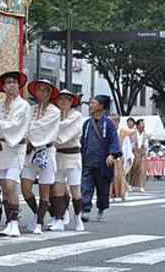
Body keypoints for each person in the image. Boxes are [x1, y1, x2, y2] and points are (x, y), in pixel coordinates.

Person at [0, 71, 31, 237]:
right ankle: (9, 221)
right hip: (1, 148)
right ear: (3, 87)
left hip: (16, 147)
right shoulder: (0, 105)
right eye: (8, 82)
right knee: (3, 187)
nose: (12, 85)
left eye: (14, 82)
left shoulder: (23, 105)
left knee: (11, 185)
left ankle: (15, 222)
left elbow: (14, 125)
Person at [21, 79, 60, 235]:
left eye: (45, 90)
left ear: (50, 94)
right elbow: (23, 126)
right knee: (25, 188)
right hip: (30, 152)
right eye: (39, 89)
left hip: (46, 151)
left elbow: (40, 127)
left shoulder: (54, 111)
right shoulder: (31, 109)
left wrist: (28, 135)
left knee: (44, 189)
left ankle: (38, 222)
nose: (41, 93)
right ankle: (39, 213)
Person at [80, 94, 121, 223]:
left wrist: (112, 154)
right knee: (86, 186)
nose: (90, 105)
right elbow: (82, 141)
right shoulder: (86, 123)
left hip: (103, 162)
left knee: (102, 189)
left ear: (101, 106)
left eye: (93, 103)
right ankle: (85, 209)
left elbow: (114, 140)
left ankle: (101, 208)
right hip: (88, 160)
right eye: (90, 103)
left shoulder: (108, 124)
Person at [50, 89, 84, 232]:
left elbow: (65, 131)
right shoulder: (54, 115)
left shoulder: (76, 116)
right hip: (58, 155)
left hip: (73, 156)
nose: (64, 101)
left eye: (67, 99)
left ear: (72, 102)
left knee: (75, 189)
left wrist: (52, 130)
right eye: (61, 99)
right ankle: (59, 218)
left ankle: (78, 218)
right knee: (58, 187)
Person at [109, 113, 135, 202]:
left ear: (117, 122)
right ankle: (111, 194)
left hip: (119, 156)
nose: (111, 122)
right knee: (110, 175)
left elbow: (132, 132)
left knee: (119, 175)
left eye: (113, 120)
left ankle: (122, 194)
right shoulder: (109, 130)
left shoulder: (122, 130)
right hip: (110, 156)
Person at [129, 119, 149, 192]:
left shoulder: (145, 135)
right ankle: (131, 185)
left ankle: (141, 186)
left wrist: (144, 151)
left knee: (142, 170)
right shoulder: (133, 134)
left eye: (143, 124)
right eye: (141, 124)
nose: (143, 126)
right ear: (137, 126)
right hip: (134, 153)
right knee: (133, 170)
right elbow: (131, 145)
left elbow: (146, 146)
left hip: (142, 154)